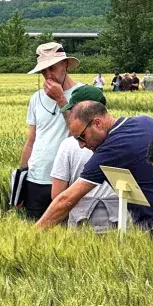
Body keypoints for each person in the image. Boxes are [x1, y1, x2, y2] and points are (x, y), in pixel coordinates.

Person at [36, 102, 153, 230]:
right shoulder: (147, 121)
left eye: (82, 137)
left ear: (97, 123)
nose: (81, 145)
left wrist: (34, 235)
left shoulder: (110, 150)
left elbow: (66, 199)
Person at [21, 42, 106, 220]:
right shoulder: (36, 98)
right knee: (35, 232)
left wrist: (61, 99)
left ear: (65, 64)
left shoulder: (84, 95)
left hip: (70, 181)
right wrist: (22, 176)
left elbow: (83, 133)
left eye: (52, 68)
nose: (48, 75)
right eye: (43, 71)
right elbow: (31, 140)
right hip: (36, 178)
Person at [50, 89, 119, 231]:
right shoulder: (124, 141)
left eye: (74, 110)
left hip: (81, 221)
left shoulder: (68, 145)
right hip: (119, 219)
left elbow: (56, 194)